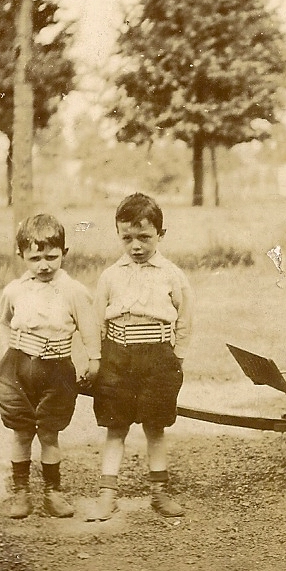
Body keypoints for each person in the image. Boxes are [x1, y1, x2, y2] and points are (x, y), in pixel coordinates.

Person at [87, 193, 194, 521]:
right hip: (118, 357)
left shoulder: (171, 274)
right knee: (115, 427)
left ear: (161, 234)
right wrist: (95, 358)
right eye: (127, 238)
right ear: (119, 235)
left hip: (159, 358)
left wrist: (178, 357)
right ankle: (108, 493)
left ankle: (159, 492)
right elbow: (96, 321)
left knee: (155, 426)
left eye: (144, 237)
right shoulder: (110, 276)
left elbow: (185, 316)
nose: (136, 246)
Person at [0, 214, 101, 519]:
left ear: (64, 253)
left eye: (52, 257)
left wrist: (93, 362)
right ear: (22, 256)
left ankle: (53, 493)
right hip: (17, 368)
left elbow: (89, 328)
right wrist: (8, 353)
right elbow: (4, 321)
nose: (44, 265)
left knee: (50, 433)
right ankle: (21, 492)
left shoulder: (74, 291)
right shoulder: (14, 290)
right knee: (20, 432)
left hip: (57, 370)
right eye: (35, 258)